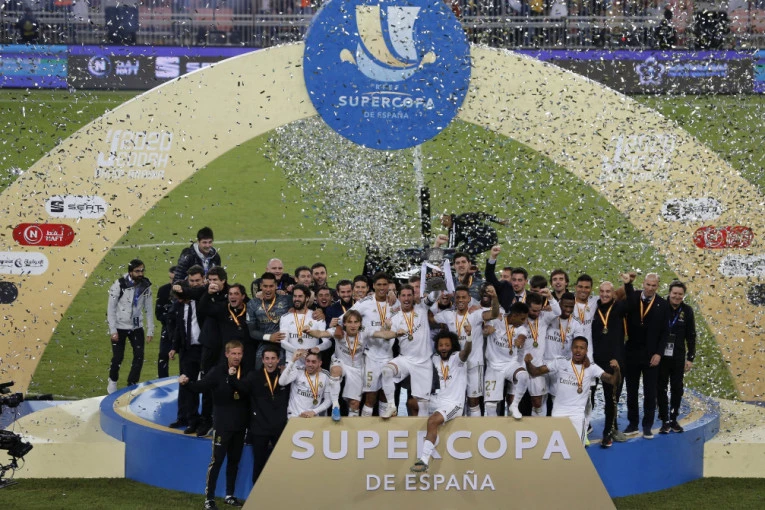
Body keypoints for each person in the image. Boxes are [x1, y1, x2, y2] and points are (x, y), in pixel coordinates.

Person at [179, 340, 248, 510]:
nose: (236, 357)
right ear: (226, 354)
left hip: (240, 425)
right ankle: (209, 499)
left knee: (234, 461)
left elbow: (248, 391)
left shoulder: (246, 371)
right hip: (222, 424)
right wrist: (186, 383)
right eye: (233, 353)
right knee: (217, 461)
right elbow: (199, 387)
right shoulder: (217, 372)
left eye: (239, 353)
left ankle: (229, 495)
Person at [525, 337, 621, 444]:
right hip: (559, 413)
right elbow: (535, 372)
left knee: (577, 448)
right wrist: (528, 363)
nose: (578, 350)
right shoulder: (561, 362)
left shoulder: (592, 368)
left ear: (586, 350)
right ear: (571, 348)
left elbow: (613, 381)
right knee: (557, 448)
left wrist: (617, 370)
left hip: (577, 415)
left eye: (582, 348)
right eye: (576, 347)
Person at [410, 330, 472, 473]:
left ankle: (424, 460)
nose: (443, 348)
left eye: (447, 345)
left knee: (432, 421)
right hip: (438, 400)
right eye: (441, 345)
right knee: (412, 403)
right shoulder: (435, 358)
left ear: (453, 346)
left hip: (454, 404)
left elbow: (466, 351)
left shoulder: (458, 358)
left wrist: (469, 337)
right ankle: (425, 435)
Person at [435, 284, 500, 416]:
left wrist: (494, 297)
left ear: (469, 299)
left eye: (463, 297)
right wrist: (431, 299)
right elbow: (430, 317)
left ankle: (475, 428)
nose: (460, 300)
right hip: (456, 366)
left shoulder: (476, 314)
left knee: (473, 402)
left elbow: (494, 314)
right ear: (454, 299)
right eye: (458, 297)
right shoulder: (448, 315)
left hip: (474, 364)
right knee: (456, 401)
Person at [622, 272, 669, 439]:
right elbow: (628, 299)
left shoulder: (663, 304)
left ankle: (647, 425)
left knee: (650, 392)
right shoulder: (634, 296)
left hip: (651, 355)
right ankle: (633, 423)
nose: (650, 288)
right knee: (631, 391)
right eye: (648, 284)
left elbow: (665, 332)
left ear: (658, 286)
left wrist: (659, 353)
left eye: (653, 285)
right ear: (643, 283)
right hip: (632, 352)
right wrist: (628, 284)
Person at [329, 309, 398, 420]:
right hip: (360, 361)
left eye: (355, 322)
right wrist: (336, 325)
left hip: (369, 363)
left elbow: (381, 334)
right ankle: (335, 406)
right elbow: (322, 333)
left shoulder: (366, 332)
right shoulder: (364, 305)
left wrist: (396, 333)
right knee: (370, 397)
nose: (353, 325)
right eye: (350, 322)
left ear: (360, 323)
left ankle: (366, 427)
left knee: (360, 402)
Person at [380, 284, 437, 418]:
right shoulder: (394, 317)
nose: (406, 298)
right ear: (399, 297)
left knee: (422, 405)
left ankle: (422, 430)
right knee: (387, 371)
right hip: (405, 359)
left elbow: (434, 296)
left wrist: (436, 283)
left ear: (413, 296)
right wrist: (387, 329)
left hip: (423, 362)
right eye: (403, 295)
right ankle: (391, 406)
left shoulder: (422, 308)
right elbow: (386, 338)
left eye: (409, 295)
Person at [349, 272, 400, 416]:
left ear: (389, 286)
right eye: (379, 285)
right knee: (370, 397)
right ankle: (365, 426)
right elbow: (346, 318)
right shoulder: (364, 303)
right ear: (373, 286)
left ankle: (383, 427)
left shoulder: (396, 304)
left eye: (385, 285)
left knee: (385, 396)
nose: (382, 288)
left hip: (389, 356)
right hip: (371, 356)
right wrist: (361, 332)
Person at [168, 266, 207, 432]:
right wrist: (174, 347)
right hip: (187, 349)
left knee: (206, 384)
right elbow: (180, 326)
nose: (195, 283)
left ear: (204, 279)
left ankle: (204, 420)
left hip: (205, 348)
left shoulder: (204, 297)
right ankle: (186, 417)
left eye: (198, 280)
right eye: (192, 281)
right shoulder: (180, 303)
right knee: (185, 383)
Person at [106, 259, 154, 394]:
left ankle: (132, 384)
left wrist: (150, 330)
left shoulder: (146, 285)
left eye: (142, 270)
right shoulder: (119, 284)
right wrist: (113, 330)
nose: (141, 273)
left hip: (136, 327)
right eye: (137, 271)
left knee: (139, 356)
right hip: (119, 327)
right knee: (118, 357)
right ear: (130, 272)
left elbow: (149, 308)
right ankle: (113, 381)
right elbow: (111, 309)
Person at [592, 280, 629, 447]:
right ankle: (585, 427)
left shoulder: (619, 307)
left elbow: (631, 299)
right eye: (602, 291)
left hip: (614, 361)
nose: (605, 294)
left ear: (614, 294)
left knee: (611, 398)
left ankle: (609, 431)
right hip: (594, 361)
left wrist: (628, 284)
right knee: (589, 396)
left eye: (608, 291)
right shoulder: (593, 307)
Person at [245, 345, 289, 486]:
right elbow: (242, 391)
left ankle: (279, 492)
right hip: (260, 428)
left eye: (273, 358)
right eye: (267, 358)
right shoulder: (253, 376)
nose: (270, 362)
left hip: (279, 428)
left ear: (278, 360)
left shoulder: (284, 376)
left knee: (280, 463)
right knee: (259, 463)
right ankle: (256, 495)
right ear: (262, 360)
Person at [658, 281, 696, 434]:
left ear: (683, 295)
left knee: (677, 388)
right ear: (669, 293)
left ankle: (673, 419)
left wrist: (690, 358)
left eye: (680, 294)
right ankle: (664, 420)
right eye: (674, 293)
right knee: (660, 388)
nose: (677, 296)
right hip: (661, 356)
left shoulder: (687, 311)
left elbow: (691, 335)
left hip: (678, 356)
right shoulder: (660, 307)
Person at [483, 302, 531, 419]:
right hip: (493, 366)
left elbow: (522, 336)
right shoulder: (496, 321)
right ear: (514, 315)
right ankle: (493, 428)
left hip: (510, 364)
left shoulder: (521, 328)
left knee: (524, 376)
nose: (524, 322)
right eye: (522, 318)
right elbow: (485, 329)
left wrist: (520, 341)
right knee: (490, 405)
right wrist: (487, 330)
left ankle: (514, 405)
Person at [246, 272, 292, 369]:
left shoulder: (286, 300)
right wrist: (270, 337)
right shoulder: (253, 304)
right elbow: (252, 332)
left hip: (285, 346)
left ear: (276, 286)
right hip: (264, 346)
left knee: (283, 375)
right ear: (260, 286)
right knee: (260, 374)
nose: (268, 289)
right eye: (265, 286)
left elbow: (304, 301)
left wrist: (319, 311)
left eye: (271, 286)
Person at [280, 350, 332, 418]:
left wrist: (314, 411)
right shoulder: (298, 370)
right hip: (294, 416)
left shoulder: (325, 375)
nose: (310, 364)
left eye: (313, 362)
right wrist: (292, 361)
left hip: (312, 417)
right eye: (308, 361)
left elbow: (328, 400)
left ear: (320, 363)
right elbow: (281, 382)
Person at [434, 211, 508, 258]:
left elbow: (481, 215)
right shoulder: (452, 231)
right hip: (479, 240)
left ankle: (473, 271)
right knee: (462, 252)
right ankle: (473, 270)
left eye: (444, 220)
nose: (443, 223)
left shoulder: (462, 218)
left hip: (487, 236)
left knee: (464, 252)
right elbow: (451, 247)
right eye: (441, 222)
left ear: (449, 217)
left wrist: (499, 220)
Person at [484, 245, 528, 310]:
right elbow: (489, 276)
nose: (516, 283)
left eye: (520, 280)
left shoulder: (531, 297)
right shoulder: (503, 289)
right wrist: (493, 257)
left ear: (526, 281)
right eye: (514, 280)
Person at [155, 266, 177, 378]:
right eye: (170, 278)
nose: (171, 282)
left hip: (185, 330)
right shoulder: (163, 290)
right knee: (163, 355)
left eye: (174, 279)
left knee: (187, 358)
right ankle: (162, 382)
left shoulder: (189, 291)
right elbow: (158, 313)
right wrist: (170, 319)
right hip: (168, 329)